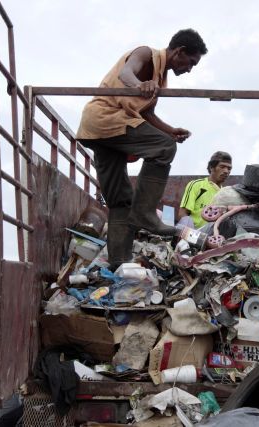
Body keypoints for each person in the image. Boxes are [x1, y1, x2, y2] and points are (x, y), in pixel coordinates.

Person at [76, 29, 208, 269]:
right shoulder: (146, 53)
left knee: (120, 200)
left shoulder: (159, 76)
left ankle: (119, 265)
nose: (189, 69)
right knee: (164, 148)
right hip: (108, 120)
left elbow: (146, 113)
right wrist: (141, 84)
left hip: (101, 130)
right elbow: (128, 74)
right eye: (191, 62)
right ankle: (145, 213)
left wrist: (170, 130)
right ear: (179, 51)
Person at [177, 151, 233, 229]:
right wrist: (191, 235)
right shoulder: (196, 185)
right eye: (222, 167)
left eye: (229, 168)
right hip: (193, 232)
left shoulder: (225, 194)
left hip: (213, 235)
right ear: (211, 167)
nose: (226, 171)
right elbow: (183, 214)